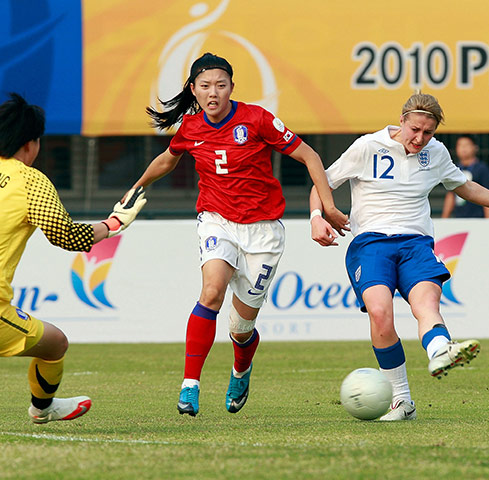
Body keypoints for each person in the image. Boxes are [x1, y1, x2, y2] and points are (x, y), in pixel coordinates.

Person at [131, 52, 348, 417]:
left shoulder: (257, 119)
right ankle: (190, 385)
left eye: (220, 85)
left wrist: (327, 207)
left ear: (232, 87)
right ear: (193, 90)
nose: (213, 92)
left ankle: (241, 369)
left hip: (264, 231)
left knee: (240, 327)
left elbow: (311, 156)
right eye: (205, 86)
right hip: (217, 220)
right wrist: (137, 186)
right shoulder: (190, 128)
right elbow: (169, 159)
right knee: (211, 291)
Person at [309, 92, 489, 420]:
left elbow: (463, 186)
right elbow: (322, 183)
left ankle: (440, 350)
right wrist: (317, 217)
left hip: (417, 243)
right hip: (371, 243)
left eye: (428, 132)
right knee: (379, 313)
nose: (420, 138)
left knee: (427, 305)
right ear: (401, 120)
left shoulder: (436, 153)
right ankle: (402, 400)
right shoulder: (367, 146)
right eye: (415, 129)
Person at [0, 93, 146, 424]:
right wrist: (112, 224)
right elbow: (66, 236)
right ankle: (43, 409)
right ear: (30, 144)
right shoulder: (29, 179)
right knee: (56, 344)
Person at [441, 134, 489, 218]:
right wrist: (444, 219)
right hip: (459, 219)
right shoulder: (454, 169)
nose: (463, 149)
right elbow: (451, 195)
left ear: (475, 147)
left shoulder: (482, 169)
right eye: (460, 145)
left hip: (478, 219)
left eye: (466, 145)